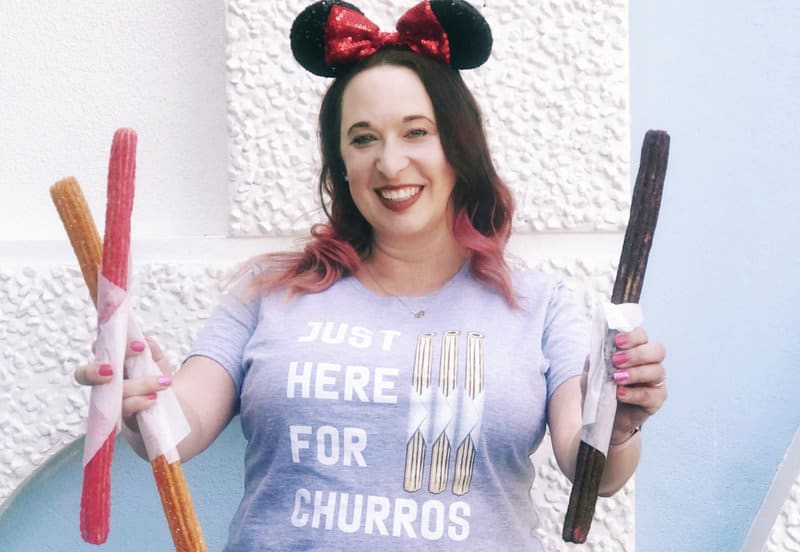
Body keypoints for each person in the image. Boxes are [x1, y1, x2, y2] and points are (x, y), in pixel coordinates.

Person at [75, 1, 668, 550]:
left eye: (416, 131)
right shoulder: (267, 291)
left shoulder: (541, 306)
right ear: (342, 165)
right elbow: (183, 425)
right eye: (363, 139)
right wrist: (139, 398)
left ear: (458, 148)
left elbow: (590, 465)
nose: (390, 162)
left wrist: (617, 419)